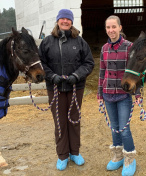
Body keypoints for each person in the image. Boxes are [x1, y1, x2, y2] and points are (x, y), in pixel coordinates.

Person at [39, 9, 94, 171]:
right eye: (62, 19)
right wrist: (51, 76)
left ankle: (75, 152)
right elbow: (41, 63)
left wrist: (77, 75)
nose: (65, 21)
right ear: (57, 21)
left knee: (74, 120)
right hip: (55, 87)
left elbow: (89, 63)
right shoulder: (47, 42)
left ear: (71, 22)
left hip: (76, 87)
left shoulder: (80, 41)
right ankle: (62, 155)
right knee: (60, 122)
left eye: (68, 19)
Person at [97, 15, 141, 176]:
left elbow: (136, 72)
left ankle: (129, 157)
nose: (111, 30)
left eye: (114, 27)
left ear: (120, 28)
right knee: (114, 129)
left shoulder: (130, 47)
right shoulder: (104, 49)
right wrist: (99, 93)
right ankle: (117, 156)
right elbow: (102, 72)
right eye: (108, 27)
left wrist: (137, 93)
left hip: (124, 95)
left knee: (124, 129)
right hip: (108, 94)